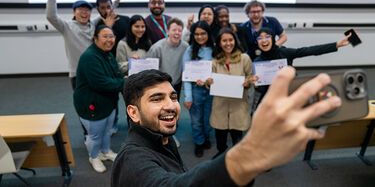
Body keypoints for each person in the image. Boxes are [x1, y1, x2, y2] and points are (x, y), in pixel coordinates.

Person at [111, 68, 342, 186]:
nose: (171, 105)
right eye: (156, 99)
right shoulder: (132, 159)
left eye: (172, 96)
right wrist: (251, 154)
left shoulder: (159, 135)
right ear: (133, 113)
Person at [252, 27, 351, 113]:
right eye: (260, 38)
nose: (264, 40)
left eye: (267, 37)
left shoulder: (284, 52)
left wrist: (338, 44)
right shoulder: (258, 62)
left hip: (289, 95)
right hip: (271, 100)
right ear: (257, 42)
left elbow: (310, 50)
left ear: (273, 38)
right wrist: (255, 83)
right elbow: (262, 89)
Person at [74, 25, 124, 173]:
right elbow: (101, 83)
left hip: (107, 102)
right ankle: (94, 156)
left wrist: (124, 78)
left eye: (111, 36)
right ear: (95, 38)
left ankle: (106, 151)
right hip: (92, 103)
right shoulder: (90, 57)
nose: (109, 40)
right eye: (105, 36)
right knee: (95, 135)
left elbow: (115, 74)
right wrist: (126, 82)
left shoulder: (107, 54)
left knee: (107, 130)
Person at [206, 28, 257, 158]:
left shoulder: (244, 58)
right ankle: (222, 153)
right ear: (219, 43)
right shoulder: (214, 61)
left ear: (235, 40)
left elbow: (251, 77)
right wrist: (208, 82)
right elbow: (208, 83)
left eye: (231, 40)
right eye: (224, 41)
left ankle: (237, 157)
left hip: (238, 104)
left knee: (237, 136)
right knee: (220, 134)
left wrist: (248, 82)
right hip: (220, 104)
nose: (228, 43)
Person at [46, 0, 100, 89]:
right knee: (82, 103)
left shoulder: (93, 24)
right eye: (81, 9)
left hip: (95, 71)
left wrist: (117, 0)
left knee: (96, 103)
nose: (84, 12)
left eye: (87, 10)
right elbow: (51, 16)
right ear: (74, 12)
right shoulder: (66, 26)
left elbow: (107, 11)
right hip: (77, 73)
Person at [182, 21, 214, 157]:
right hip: (195, 91)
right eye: (197, 34)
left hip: (212, 91)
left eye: (203, 34)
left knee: (209, 120)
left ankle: (206, 137)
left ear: (208, 34)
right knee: (196, 121)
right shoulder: (189, 51)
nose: (200, 37)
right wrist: (188, 97)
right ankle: (199, 142)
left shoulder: (215, 49)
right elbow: (186, 76)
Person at [147, 18, 189, 99]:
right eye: (174, 30)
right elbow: (149, 71)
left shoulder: (186, 47)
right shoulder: (157, 48)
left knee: (174, 109)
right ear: (167, 31)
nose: (177, 33)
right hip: (159, 85)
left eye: (179, 30)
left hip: (177, 85)